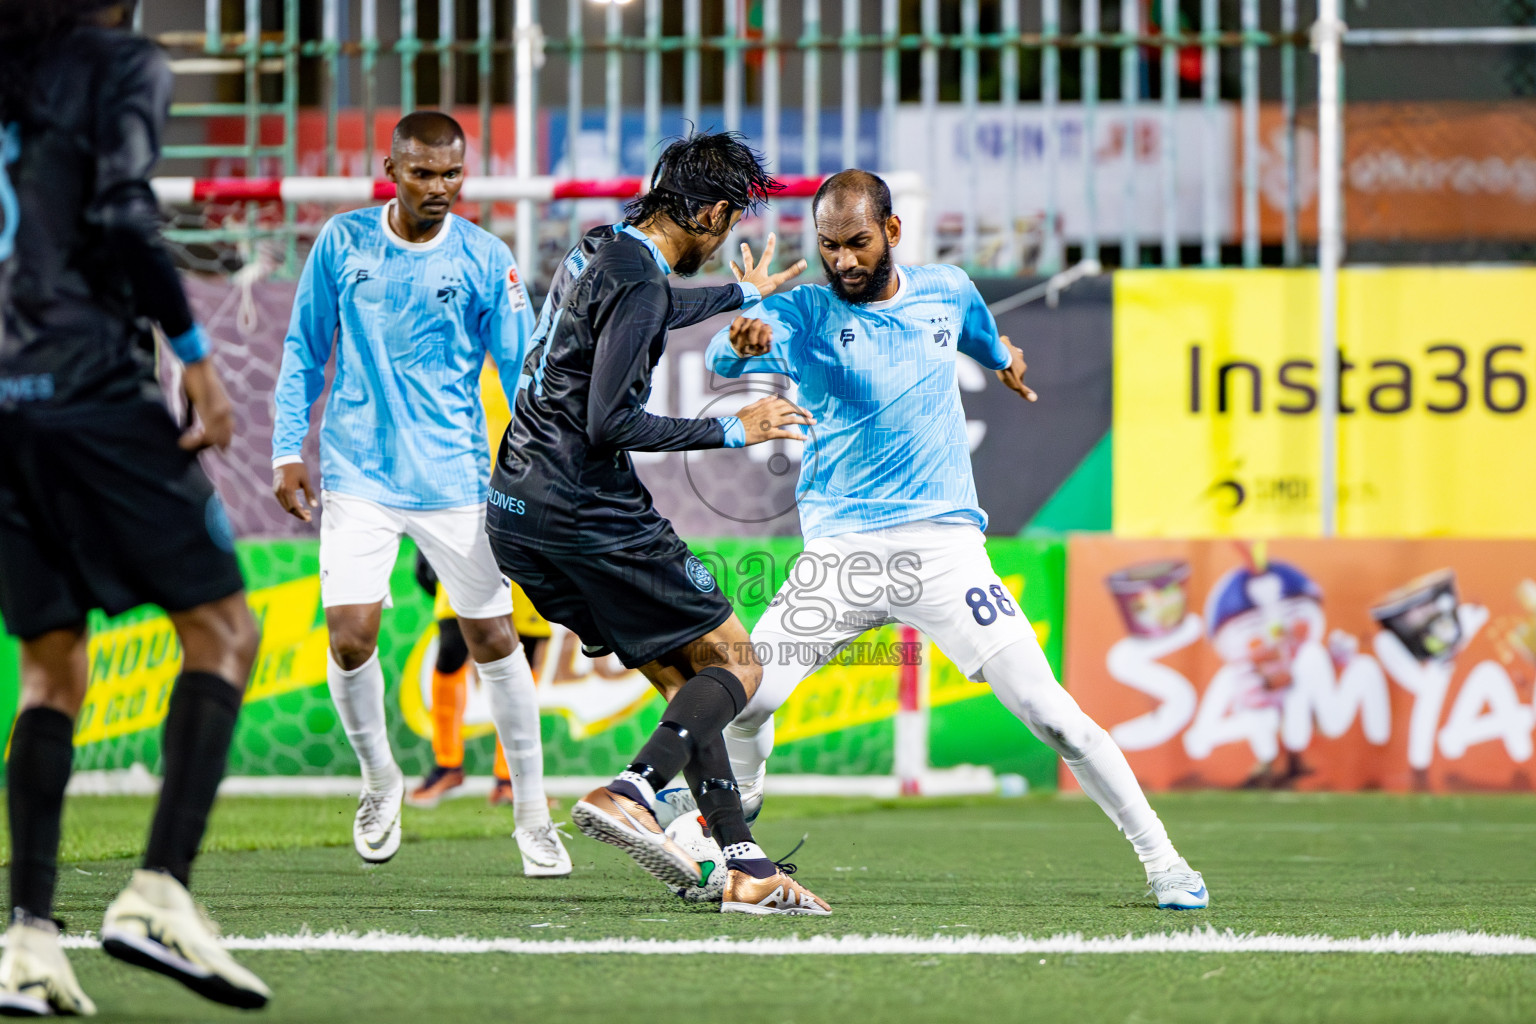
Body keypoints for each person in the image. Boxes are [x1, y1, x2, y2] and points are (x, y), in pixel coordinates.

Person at [703, 169, 1210, 911]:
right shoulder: (805, 312)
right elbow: (726, 356)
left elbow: (983, 336)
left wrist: (1005, 362)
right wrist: (742, 327)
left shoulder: (946, 289)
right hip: (841, 555)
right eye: (828, 246)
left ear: (893, 233)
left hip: (943, 552)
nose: (841, 261)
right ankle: (743, 800)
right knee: (747, 701)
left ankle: (1164, 859)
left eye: (857, 243)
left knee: (1051, 714)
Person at [0, 0, 270, 1011]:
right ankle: (158, 891)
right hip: (87, 391)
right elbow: (120, 214)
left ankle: (27, 938)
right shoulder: (120, 61)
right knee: (223, 631)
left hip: (4, 402)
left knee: (50, 668)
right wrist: (195, 360)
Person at [486, 131, 831, 915]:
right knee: (738, 664)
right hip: (588, 507)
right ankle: (631, 790)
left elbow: (659, 301)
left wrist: (743, 296)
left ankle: (743, 864)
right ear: (710, 213)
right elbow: (612, 422)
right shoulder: (640, 284)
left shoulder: (602, 248)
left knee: (688, 686)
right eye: (730, 221)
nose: (725, 238)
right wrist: (730, 430)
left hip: (516, 509)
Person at [272, 110, 569, 877]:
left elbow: (526, 370)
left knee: (495, 641)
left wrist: (541, 467)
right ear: (392, 169)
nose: (439, 188)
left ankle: (533, 815)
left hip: (456, 481)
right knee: (348, 637)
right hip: (359, 474)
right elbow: (304, 349)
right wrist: (284, 449)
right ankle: (380, 783)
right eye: (423, 173)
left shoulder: (485, 257)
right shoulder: (343, 243)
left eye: (451, 175)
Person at [408, 549, 553, 808]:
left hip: (522, 547)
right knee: (451, 648)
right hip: (462, 546)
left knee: (524, 655)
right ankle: (447, 764)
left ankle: (510, 778)